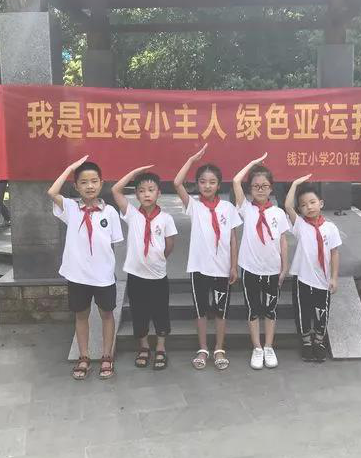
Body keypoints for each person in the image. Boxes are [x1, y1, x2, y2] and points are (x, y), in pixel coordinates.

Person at [48, 156, 123, 380]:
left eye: (94, 181)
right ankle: (84, 356)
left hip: (103, 276)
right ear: (76, 186)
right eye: (83, 182)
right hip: (77, 275)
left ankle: (107, 356)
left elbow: (112, 244)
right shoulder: (71, 208)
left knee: (107, 314)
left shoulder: (110, 212)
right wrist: (70, 167)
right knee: (81, 315)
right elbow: (52, 192)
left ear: (101, 183)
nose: (89, 186)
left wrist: (103, 266)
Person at [173, 144, 242, 370]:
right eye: (202, 181)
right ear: (197, 184)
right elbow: (177, 183)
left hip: (222, 269)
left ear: (219, 185)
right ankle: (203, 348)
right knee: (200, 310)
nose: (207, 185)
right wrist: (191, 159)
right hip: (199, 268)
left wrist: (234, 266)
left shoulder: (228, 208)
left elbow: (233, 239)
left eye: (212, 182)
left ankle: (219, 348)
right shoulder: (194, 206)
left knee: (221, 311)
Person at [112, 168, 178, 371]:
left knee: (160, 311)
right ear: (136, 194)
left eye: (151, 190)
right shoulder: (132, 214)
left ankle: (160, 347)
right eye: (141, 191)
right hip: (136, 275)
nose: (146, 194)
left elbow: (170, 244)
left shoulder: (166, 218)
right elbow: (115, 190)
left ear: (159, 193)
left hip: (158, 275)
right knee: (139, 311)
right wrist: (133, 173)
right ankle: (143, 347)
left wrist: (158, 258)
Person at [232, 153, 290, 370]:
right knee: (253, 310)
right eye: (256, 186)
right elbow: (236, 180)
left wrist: (284, 266)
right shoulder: (246, 209)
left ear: (271, 188)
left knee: (270, 310)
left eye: (264, 186)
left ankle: (268, 346)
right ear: (250, 189)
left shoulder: (278, 213)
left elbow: (283, 241)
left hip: (272, 269)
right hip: (250, 268)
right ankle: (257, 347)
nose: (260, 189)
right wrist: (252, 163)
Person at [284, 175, 342, 363]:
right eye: (303, 205)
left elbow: (334, 253)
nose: (309, 207)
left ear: (321, 203)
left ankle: (319, 341)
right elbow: (288, 206)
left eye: (312, 202)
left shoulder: (331, 228)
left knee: (321, 312)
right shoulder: (300, 225)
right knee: (302, 312)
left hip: (323, 280)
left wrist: (334, 277)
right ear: (300, 209)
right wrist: (294, 183)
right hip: (302, 278)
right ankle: (306, 342)